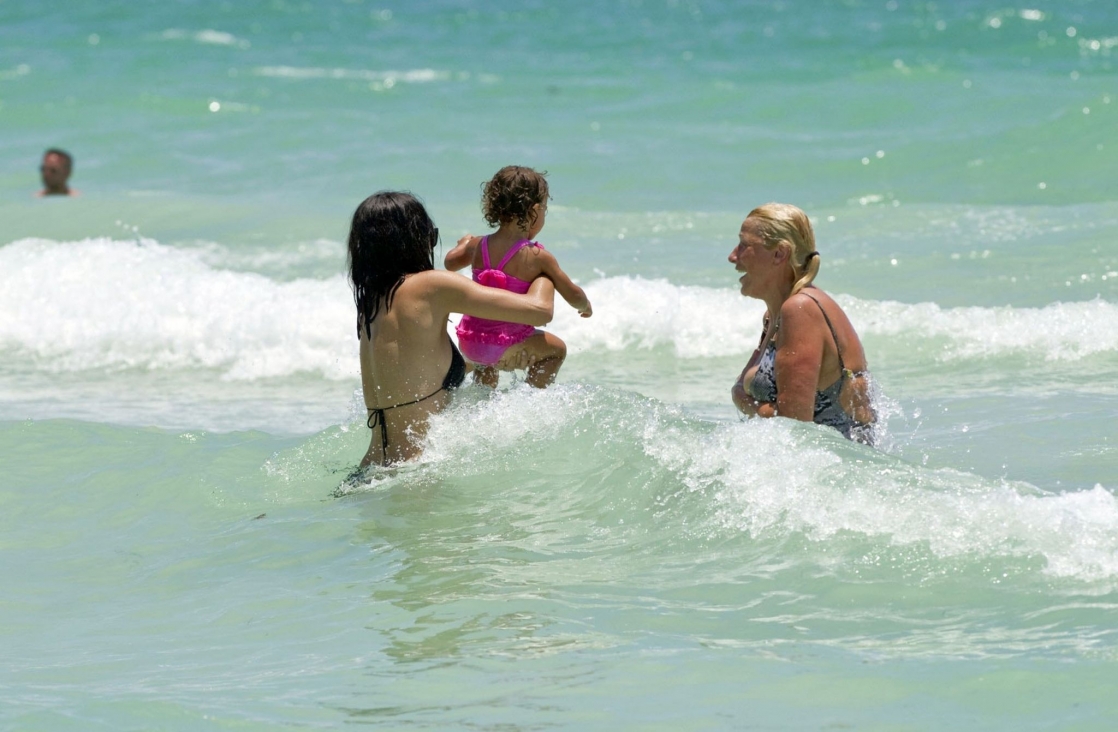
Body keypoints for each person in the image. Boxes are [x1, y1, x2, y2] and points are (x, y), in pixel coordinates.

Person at [350, 191, 556, 467]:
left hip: (368, 470)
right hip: (416, 474)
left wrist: (488, 362)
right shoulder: (431, 286)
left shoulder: (371, 306)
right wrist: (544, 270)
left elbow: (422, 375)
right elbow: (540, 310)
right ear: (416, 240)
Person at [729, 202, 876, 444]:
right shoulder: (775, 314)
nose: (733, 256)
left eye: (744, 245)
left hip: (839, 471)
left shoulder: (800, 310)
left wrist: (748, 403)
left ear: (779, 254)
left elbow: (794, 426)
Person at [443, 166, 591, 388]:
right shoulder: (537, 256)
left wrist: (464, 243)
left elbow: (450, 263)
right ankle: (530, 400)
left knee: (486, 367)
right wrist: (585, 305)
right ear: (534, 212)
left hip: (469, 342)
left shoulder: (477, 245)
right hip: (504, 345)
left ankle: (483, 399)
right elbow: (571, 292)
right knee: (557, 350)